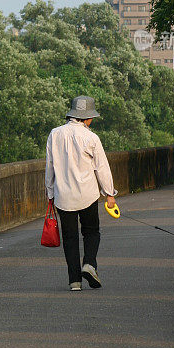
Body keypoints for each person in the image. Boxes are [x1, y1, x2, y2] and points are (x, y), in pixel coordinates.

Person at [45, 95, 118, 291]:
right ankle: (89, 264)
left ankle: (74, 281)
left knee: (70, 238)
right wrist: (109, 194)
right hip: (88, 194)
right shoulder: (91, 137)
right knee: (91, 232)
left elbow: (50, 166)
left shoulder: (54, 134)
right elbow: (102, 168)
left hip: (63, 196)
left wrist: (50, 193)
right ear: (87, 118)